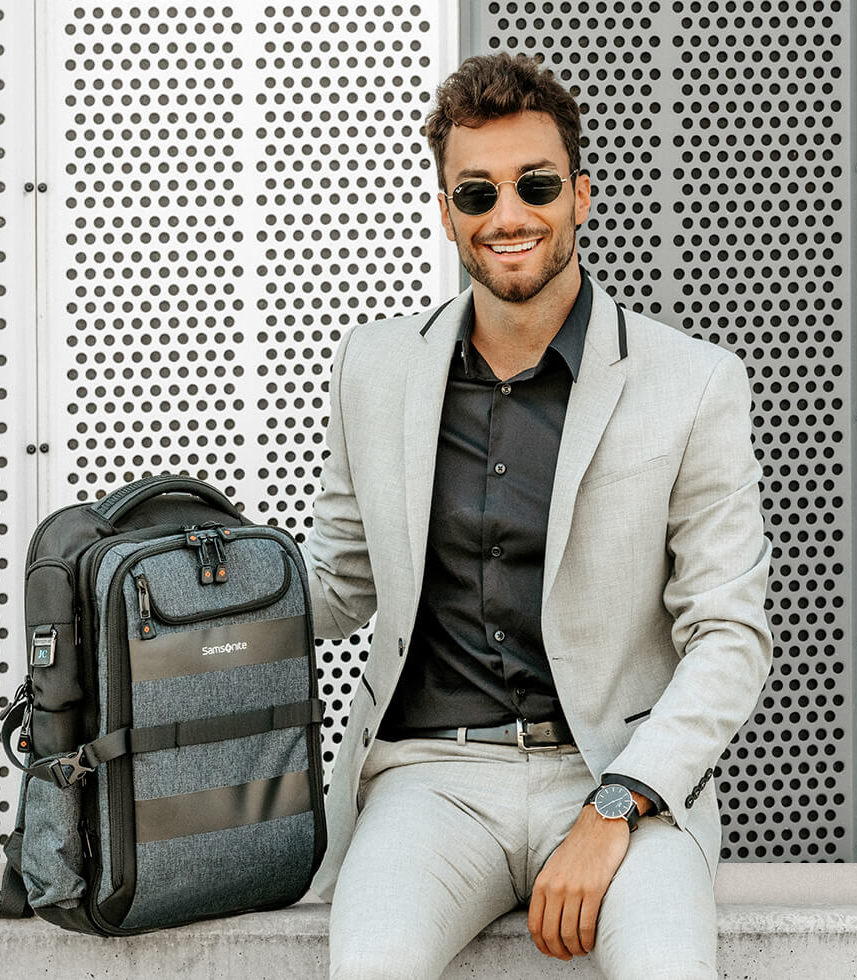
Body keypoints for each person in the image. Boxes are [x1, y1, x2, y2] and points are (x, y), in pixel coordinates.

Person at [298, 52, 772, 980]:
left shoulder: (694, 382)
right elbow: (337, 583)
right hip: (427, 783)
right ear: (448, 214)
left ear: (580, 197)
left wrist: (620, 802)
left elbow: (730, 634)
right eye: (478, 194)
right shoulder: (374, 367)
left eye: (536, 185)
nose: (508, 215)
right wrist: (175, 594)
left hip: (619, 779)